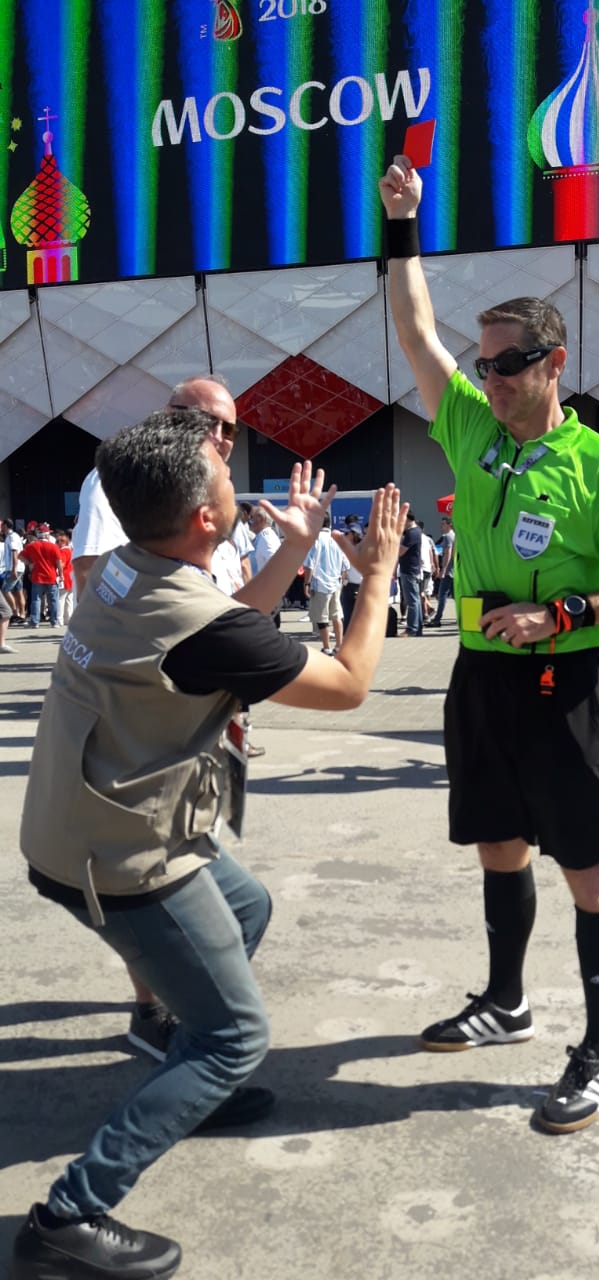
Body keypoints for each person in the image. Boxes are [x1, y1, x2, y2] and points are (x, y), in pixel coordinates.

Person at [12, 408, 407, 1279]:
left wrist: (296, 549)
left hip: (74, 823)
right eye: (224, 470)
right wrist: (374, 573)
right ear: (204, 518)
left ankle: (185, 1069)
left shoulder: (124, 569)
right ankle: (66, 1218)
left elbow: (224, 626)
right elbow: (345, 686)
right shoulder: (194, 619)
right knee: (235, 1035)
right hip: (119, 855)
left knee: (247, 902)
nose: (234, 472)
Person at [378, 153, 599, 1133]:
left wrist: (562, 615)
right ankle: (505, 1000)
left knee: (588, 867)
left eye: (507, 362)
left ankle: (595, 1050)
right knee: (496, 846)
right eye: (485, 362)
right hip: (482, 679)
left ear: (553, 363)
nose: (487, 377)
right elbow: (414, 329)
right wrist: (402, 225)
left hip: (567, 676)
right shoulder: (471, 430)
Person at [69, 375, 263, 1060]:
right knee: (153, 866)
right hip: (152, 704)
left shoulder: (217, 499)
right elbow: (93, 576)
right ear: (167, 417)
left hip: (211, 706)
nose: (215, 433)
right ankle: (154, 1010)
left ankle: (183, 990)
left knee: (197, 849)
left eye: (229, 427)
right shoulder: (127, 482)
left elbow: (234, 605)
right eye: (198, 418)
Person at [303, 514, 348, 654]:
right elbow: (345, 565)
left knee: (322, 618)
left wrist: (307, 583)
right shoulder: (337, 539)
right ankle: (340, 645)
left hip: (320, 583)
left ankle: (327, 647)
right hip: (335, 583)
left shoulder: (316, 540)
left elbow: (309, 564)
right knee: (337, 615)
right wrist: (341, 581)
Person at [21, 523, 63, 627]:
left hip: (37, 576)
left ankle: (35, 621)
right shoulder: (53, 546)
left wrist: (29, 563)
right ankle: (54, 622)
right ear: (47, 535)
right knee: (53, 600)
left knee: (36, 599)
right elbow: (58, 562)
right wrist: (61, 574)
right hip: (51, 576)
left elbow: (20, 556)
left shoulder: (32, 546)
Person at [398, 509, 424, 636]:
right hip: (413, 568)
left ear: (407, 519)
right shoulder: (417, 531)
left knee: (412, 600)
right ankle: (417, 628)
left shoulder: (411, 533)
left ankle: (411, 628)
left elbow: (401, 551)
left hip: (408, 569)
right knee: (416, 600)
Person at [427, 515, 455, 627]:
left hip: (448, 571)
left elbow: (448, 553)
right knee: (455, 595)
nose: (441, 526)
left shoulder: (448, 536)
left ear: (450, 525)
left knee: (442, 595)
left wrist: (443, 570)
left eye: (443, 524)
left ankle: (437, 619)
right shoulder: (454, 536)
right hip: (454, 570)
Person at [1, 518, 27, 623]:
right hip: (18, 568)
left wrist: (14, 569)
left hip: (14, 568)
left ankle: (15, 613)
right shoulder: (13, 536)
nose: (1, 527)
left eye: (2, 525)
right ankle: (22, 614)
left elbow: (14, 553)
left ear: (6, 526)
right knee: (18, 591)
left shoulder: (12, 537)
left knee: (5, 590)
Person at [340, 522, 364, 628]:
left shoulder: (362, 548)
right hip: (348, 585)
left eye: (347, 534)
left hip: (360, 586)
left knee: (359, 617)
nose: (344, 536)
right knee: (347, 617)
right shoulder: (345, 548)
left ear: (353, 534)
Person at [55, 530, 74, 625]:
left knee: (60, 599)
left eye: (58, 541)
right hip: (71, 577)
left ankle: (59, 619)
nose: (56, 543)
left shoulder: (62, 551)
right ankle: (68, 619)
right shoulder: (71, 550)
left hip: (64, 577)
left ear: (62, 542)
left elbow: (61, 564)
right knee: (69, 600)